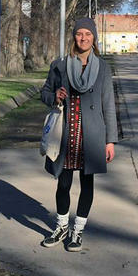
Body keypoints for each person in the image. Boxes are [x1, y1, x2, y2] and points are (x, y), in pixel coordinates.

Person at [39, 17, 117, 252]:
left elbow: (109, 105)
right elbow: (44, 92)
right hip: (66, 134)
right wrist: (55, 97)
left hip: (91, 136)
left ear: (94, 39)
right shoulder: (60, 65)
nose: (83, 38)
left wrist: (110, 141)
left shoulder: (102, 68)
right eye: (79, 34)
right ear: (74, 37)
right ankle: (62, 226)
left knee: (87, 184)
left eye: (88, 34)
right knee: (62, 183)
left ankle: (78, 230)